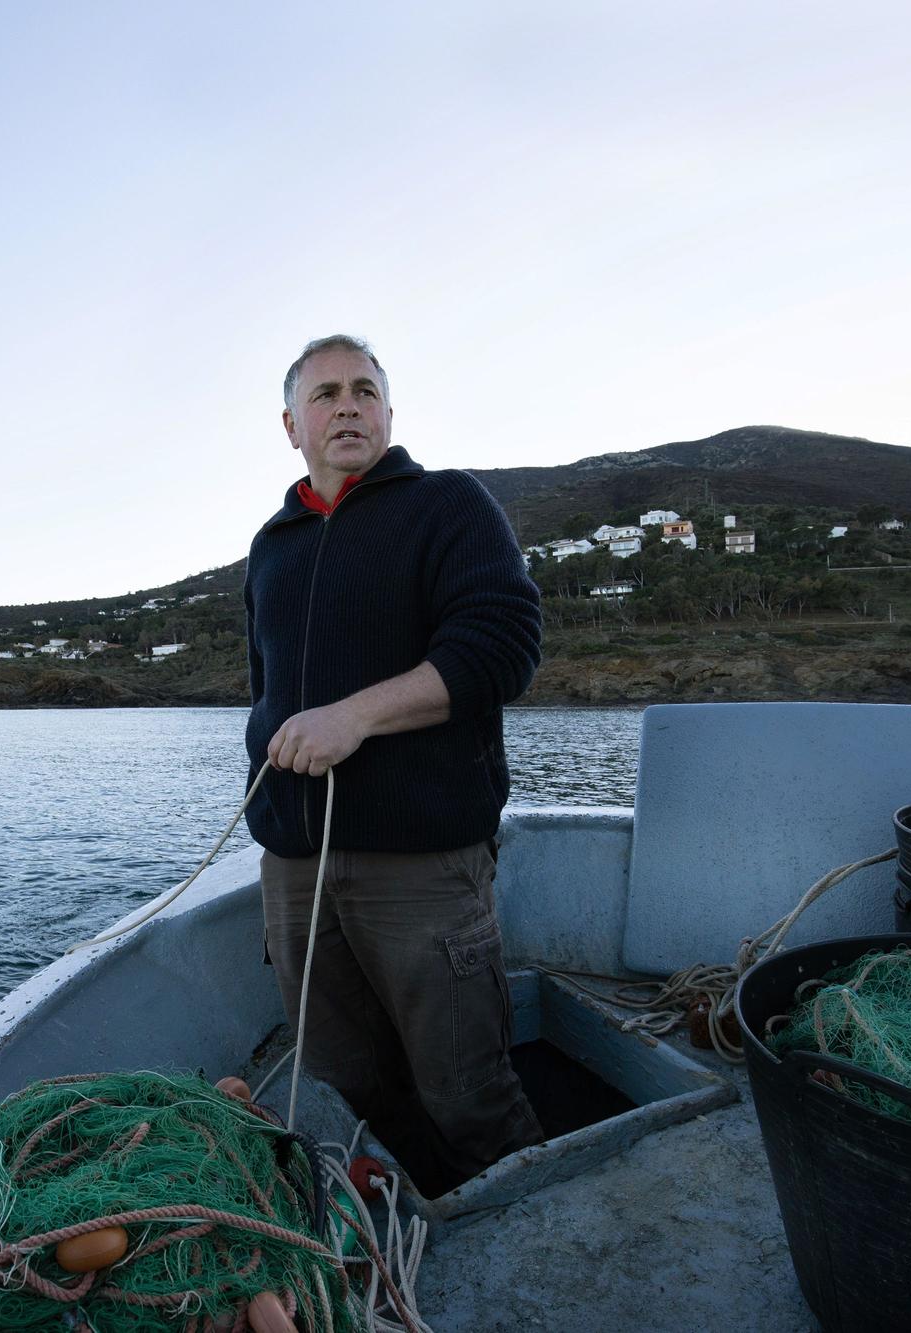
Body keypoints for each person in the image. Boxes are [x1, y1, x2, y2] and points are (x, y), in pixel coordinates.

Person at [243, 333, 545, 1195]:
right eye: (327, 393)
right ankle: (405, 1234)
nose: (348, 405)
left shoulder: (448, 505)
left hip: (420, 868)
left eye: (365, 390)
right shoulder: (274, 544)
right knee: (345, 1085)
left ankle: (518, 1245)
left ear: (387, 412)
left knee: (468, 1092)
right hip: (295, 871)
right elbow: (266, 687)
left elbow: (502, 647)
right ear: (292, 423)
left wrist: (355, 718)